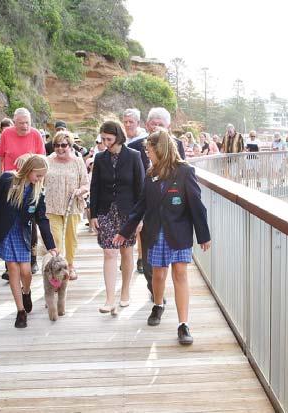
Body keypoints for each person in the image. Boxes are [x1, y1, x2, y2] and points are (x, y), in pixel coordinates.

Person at [113, 129, 211, 345]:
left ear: (160, 150)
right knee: (158, 275)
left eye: (149, 151)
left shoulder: (185, 171)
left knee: (180, 274)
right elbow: (141, 206)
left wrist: (203, 235)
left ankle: (183, 325)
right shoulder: (151, 174)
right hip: (156, 232)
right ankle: (158, 305)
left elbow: (197, 205)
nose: (147, 154)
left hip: (179, 232)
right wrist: (124, 231)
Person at [0, 155, 57, 328]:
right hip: (6, 232)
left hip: (22, 233)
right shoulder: (7, 180)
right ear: (29, 170)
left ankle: (26, 291)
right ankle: (20, 311)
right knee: (13, 269)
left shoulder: (38, 191)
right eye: (38, 175)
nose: (40, 179)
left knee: (26, 271)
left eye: (42, 176)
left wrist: (51, 245)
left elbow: (42, 219)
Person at [127, 107, 185, 297]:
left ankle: (159, 289)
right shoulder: (136, 147)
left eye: (161, 124)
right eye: (154, 124)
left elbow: (182, 176)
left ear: (168, 126)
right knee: (148, 250)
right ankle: (154, 288)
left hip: (170, 209)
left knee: (172, 256)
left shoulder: (177, 145)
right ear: (147, 125)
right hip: (145, 205)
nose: (157, 127)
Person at [89, 121, 144, 313]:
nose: (105, 143)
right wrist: (93, 214)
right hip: (105, 211)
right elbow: (94, 187)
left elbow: (140, 189)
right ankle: (110, 299)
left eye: (109, 139)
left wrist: (139, 218)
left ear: (118, 137)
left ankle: (125, 291)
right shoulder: (100, 158)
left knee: (126, 252)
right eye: (103, 139)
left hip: (128, 213)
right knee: (109, 252)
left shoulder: (134, 156)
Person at [0, 108, 46, 277]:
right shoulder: (6, 134)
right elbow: (0, 158)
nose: (25, 126)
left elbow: (42, 160)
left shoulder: (35, 135)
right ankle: (8, 264)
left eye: (27, 123)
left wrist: (28, 156)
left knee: (29, 221)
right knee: (8, 221)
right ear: (14, 122)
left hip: (31, 184)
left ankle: (32, 259)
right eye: (21, 123)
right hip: (11, 183)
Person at [44, 131, 90, 281]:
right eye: (56, 145)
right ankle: (57, 269)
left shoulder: (78, 162)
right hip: (52, 206)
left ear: (70, 146)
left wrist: (80, 191)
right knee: (56, 239)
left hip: (72, 207)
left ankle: (70, 265)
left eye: (63, 145)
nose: (60, 148)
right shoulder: (48, 161)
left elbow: (85, 184)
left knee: (71, 239)